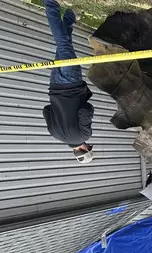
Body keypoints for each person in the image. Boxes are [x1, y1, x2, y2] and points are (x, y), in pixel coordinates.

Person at [42, 0, 95, 163]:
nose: (88, 145)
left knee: (63, 45)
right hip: (55, 86)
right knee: (63, 48)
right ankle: (71, 16)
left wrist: (87, 108)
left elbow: (85, 111)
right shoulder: (56, 134)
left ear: (84, 149)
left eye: (88, 147)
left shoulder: (83, 135)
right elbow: (47, 110)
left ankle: (51, 4)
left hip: (72, 83)